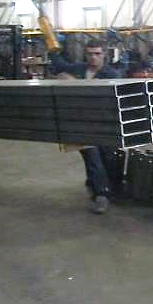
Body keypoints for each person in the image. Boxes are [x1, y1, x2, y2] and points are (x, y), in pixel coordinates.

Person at [50, 39, 122, 214]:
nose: (93, 58)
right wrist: (51, 46)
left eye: (97, 54)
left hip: (104, 124)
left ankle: (99, 185)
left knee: (108, 156)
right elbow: (59, 67)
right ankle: (101, 195)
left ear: (104, 54)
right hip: (81, 125)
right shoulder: (79, 70)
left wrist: (74, 82)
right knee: (92, 156)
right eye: (90, 54)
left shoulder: (111, 75)